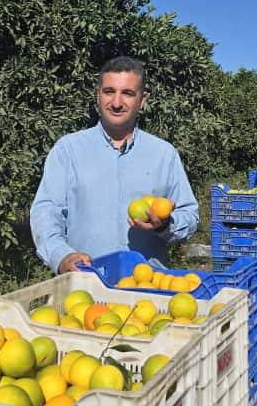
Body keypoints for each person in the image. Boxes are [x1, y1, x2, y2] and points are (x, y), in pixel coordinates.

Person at [30, 56, 199, 273]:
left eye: (127, 93)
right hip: (85, 283)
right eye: (109, 91)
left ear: (142, 100)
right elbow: (46, 212)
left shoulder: (164, 155)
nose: (117, 103)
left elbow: (189, 216)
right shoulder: (68, 150)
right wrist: (61, 256)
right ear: (98, 95)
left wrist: (165, 225)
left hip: (147, 286)